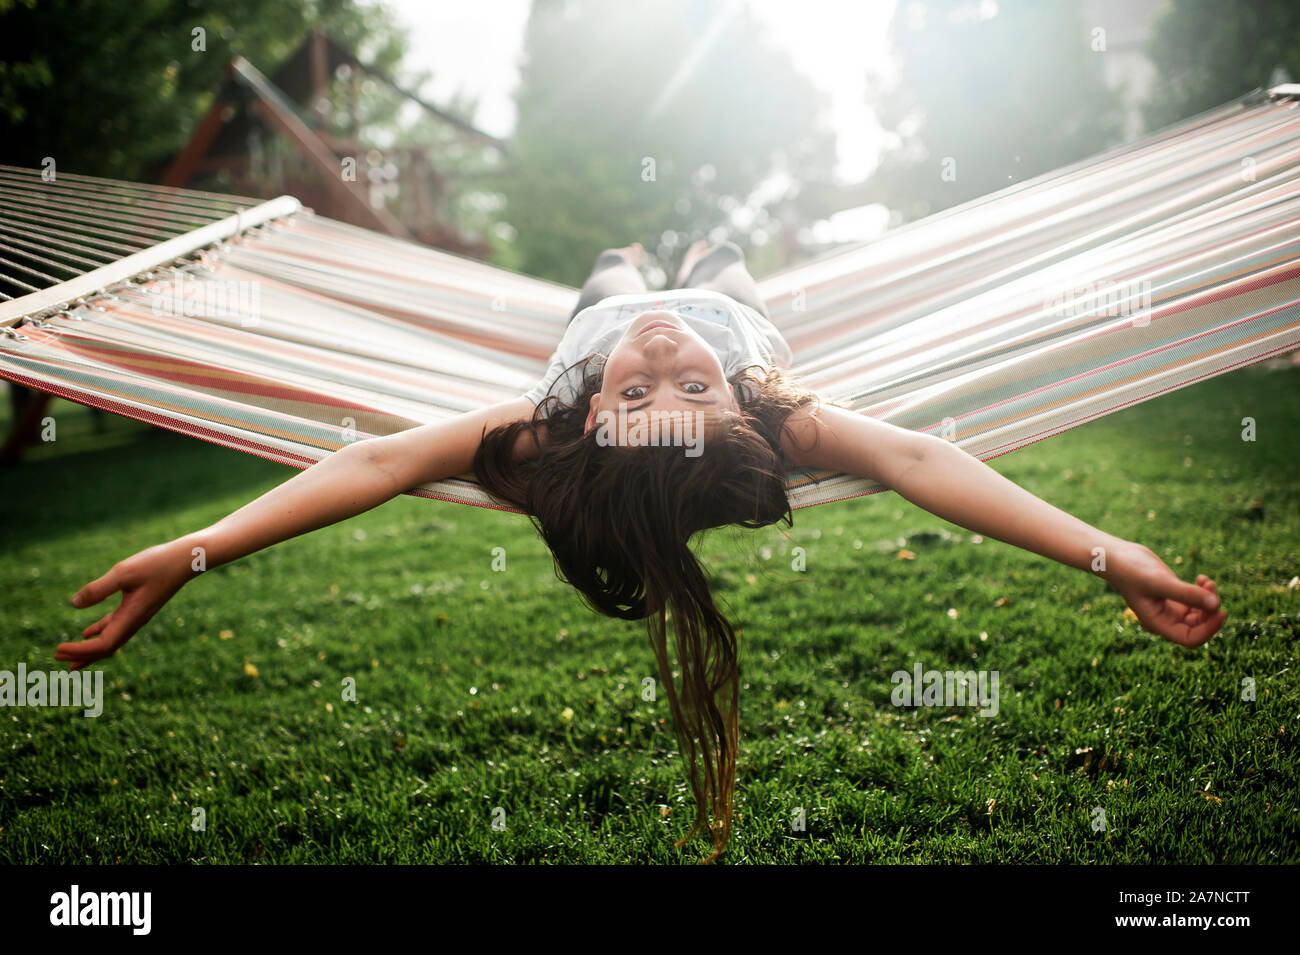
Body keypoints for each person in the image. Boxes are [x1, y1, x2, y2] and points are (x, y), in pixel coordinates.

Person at [59, 240, 1228, 863]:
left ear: (587, 421)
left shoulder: (548, 421)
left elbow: (374, 465)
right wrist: (1102, 552)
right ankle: (716, 250)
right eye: (683, 388)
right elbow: (922, 460)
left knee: (617, 277)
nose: (665, 357)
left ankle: (619, 252)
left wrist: (199, 546)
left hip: (581, 322)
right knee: (718, 271)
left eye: (654, 390)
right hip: (750, 314)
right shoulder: (762, 406)